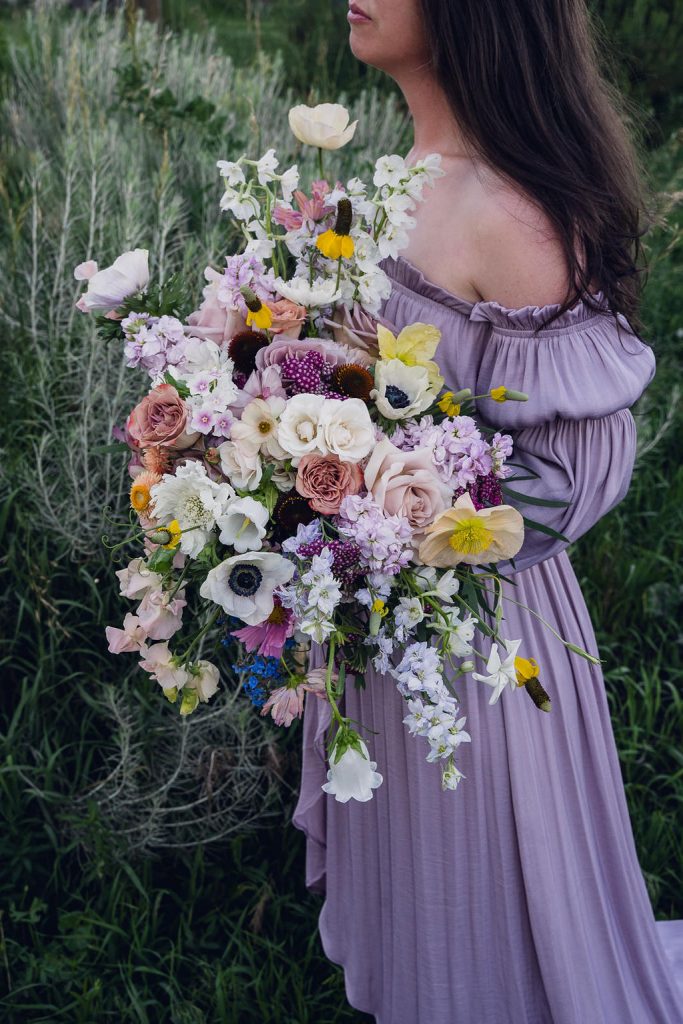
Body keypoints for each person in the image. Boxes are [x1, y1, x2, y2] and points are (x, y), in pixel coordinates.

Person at [293, 1, 683, 1020]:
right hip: (389, 630)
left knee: (490, 948)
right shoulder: (402, 177)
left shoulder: (505, 211)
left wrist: (402, 523)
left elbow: (582, 465)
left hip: (477, 653)